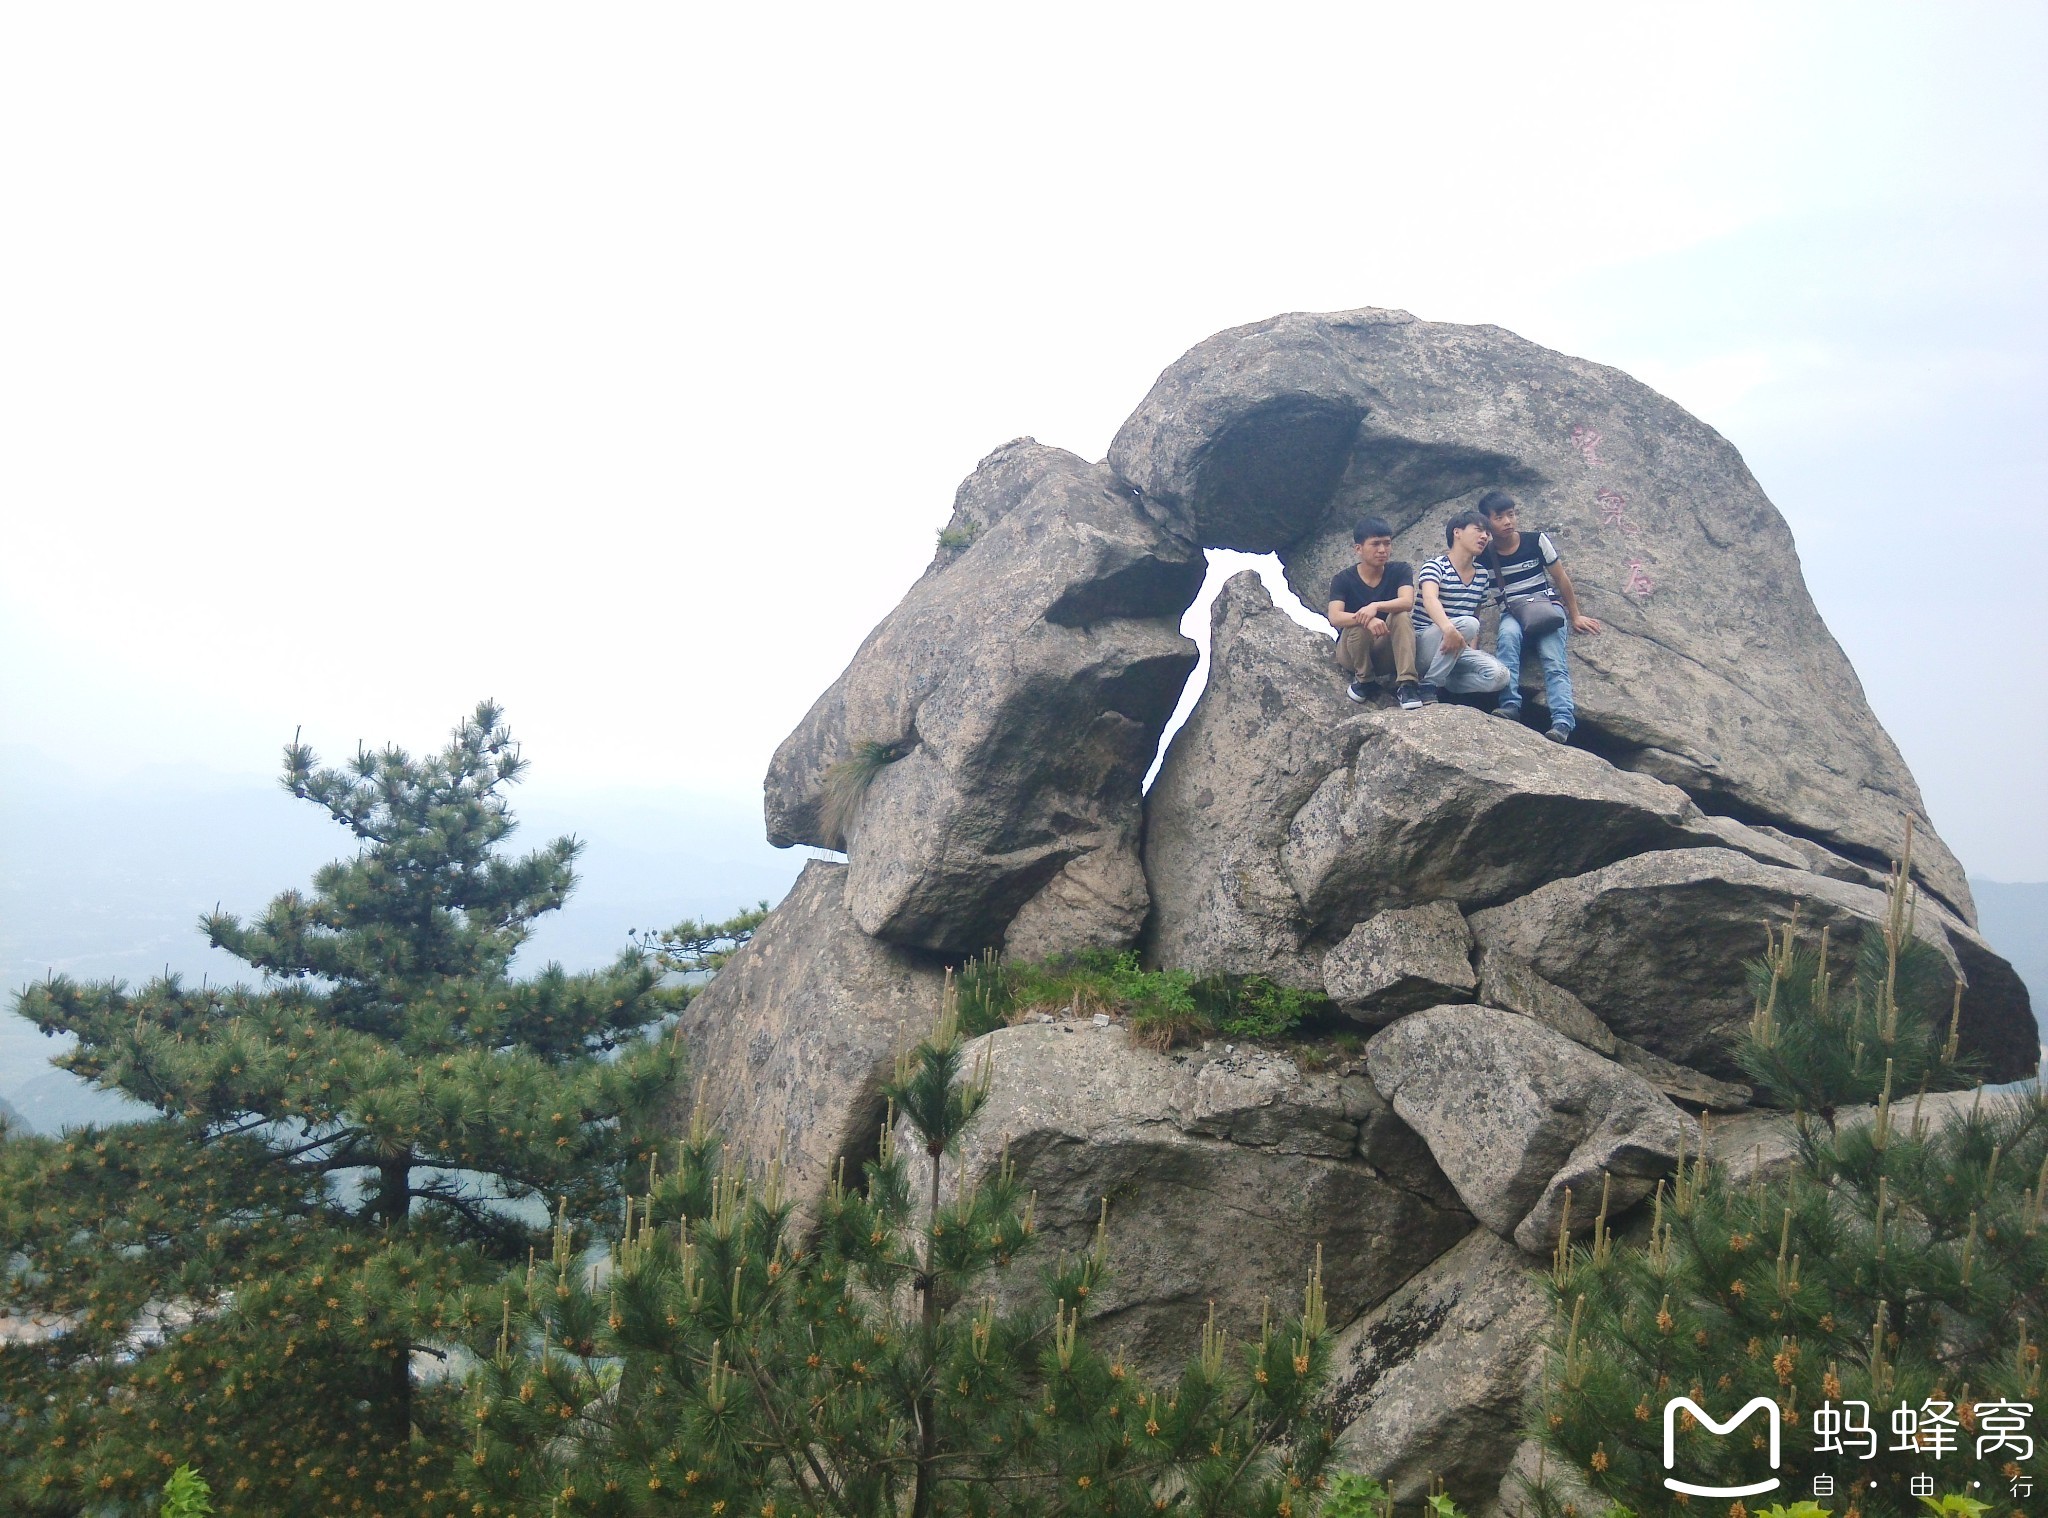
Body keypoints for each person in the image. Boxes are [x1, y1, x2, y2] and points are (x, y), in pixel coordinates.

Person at [1478, 489, 1601, 745]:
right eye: (1499, 517)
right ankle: (1510, 704)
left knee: (1554, 660)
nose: (1508, 522)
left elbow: (1560, 578)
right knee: (1508, 640)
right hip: (1513, 612)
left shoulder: (1536, 541)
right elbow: (1474, 594)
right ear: (1486, 522)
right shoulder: (1483, 556)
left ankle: (1562, 721)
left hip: (1546, 606)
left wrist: (1574, 614)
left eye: (1511, 515)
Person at [1412, 509, 1511, 703]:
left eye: (1487, 533)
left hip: (1455, 647)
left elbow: (1476, 613)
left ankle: (1444, 682)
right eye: (1478, 530)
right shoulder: (1436, 566)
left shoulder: (1481, 575)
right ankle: (1429, 685)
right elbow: (1430, 599)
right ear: (1457, 532)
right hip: (1423, 644)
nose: (1484, 536)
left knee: (1499, 676)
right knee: (1468, 623)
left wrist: (1471, 649)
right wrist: (1448, 629)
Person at [1326, 515, 1421, 708]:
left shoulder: (1399, 570)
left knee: (1401, 616)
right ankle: (1364, 680)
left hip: (1385, 651)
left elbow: (1406, 601)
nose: (1382, 550)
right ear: (1358, 549)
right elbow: (1334, 616)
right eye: (1375, 544)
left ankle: (1407, 684)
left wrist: (1376, 606)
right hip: (1352, 653)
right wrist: (1367, 619)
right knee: (1357, 625)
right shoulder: (1343, 579)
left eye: (1387, 543)